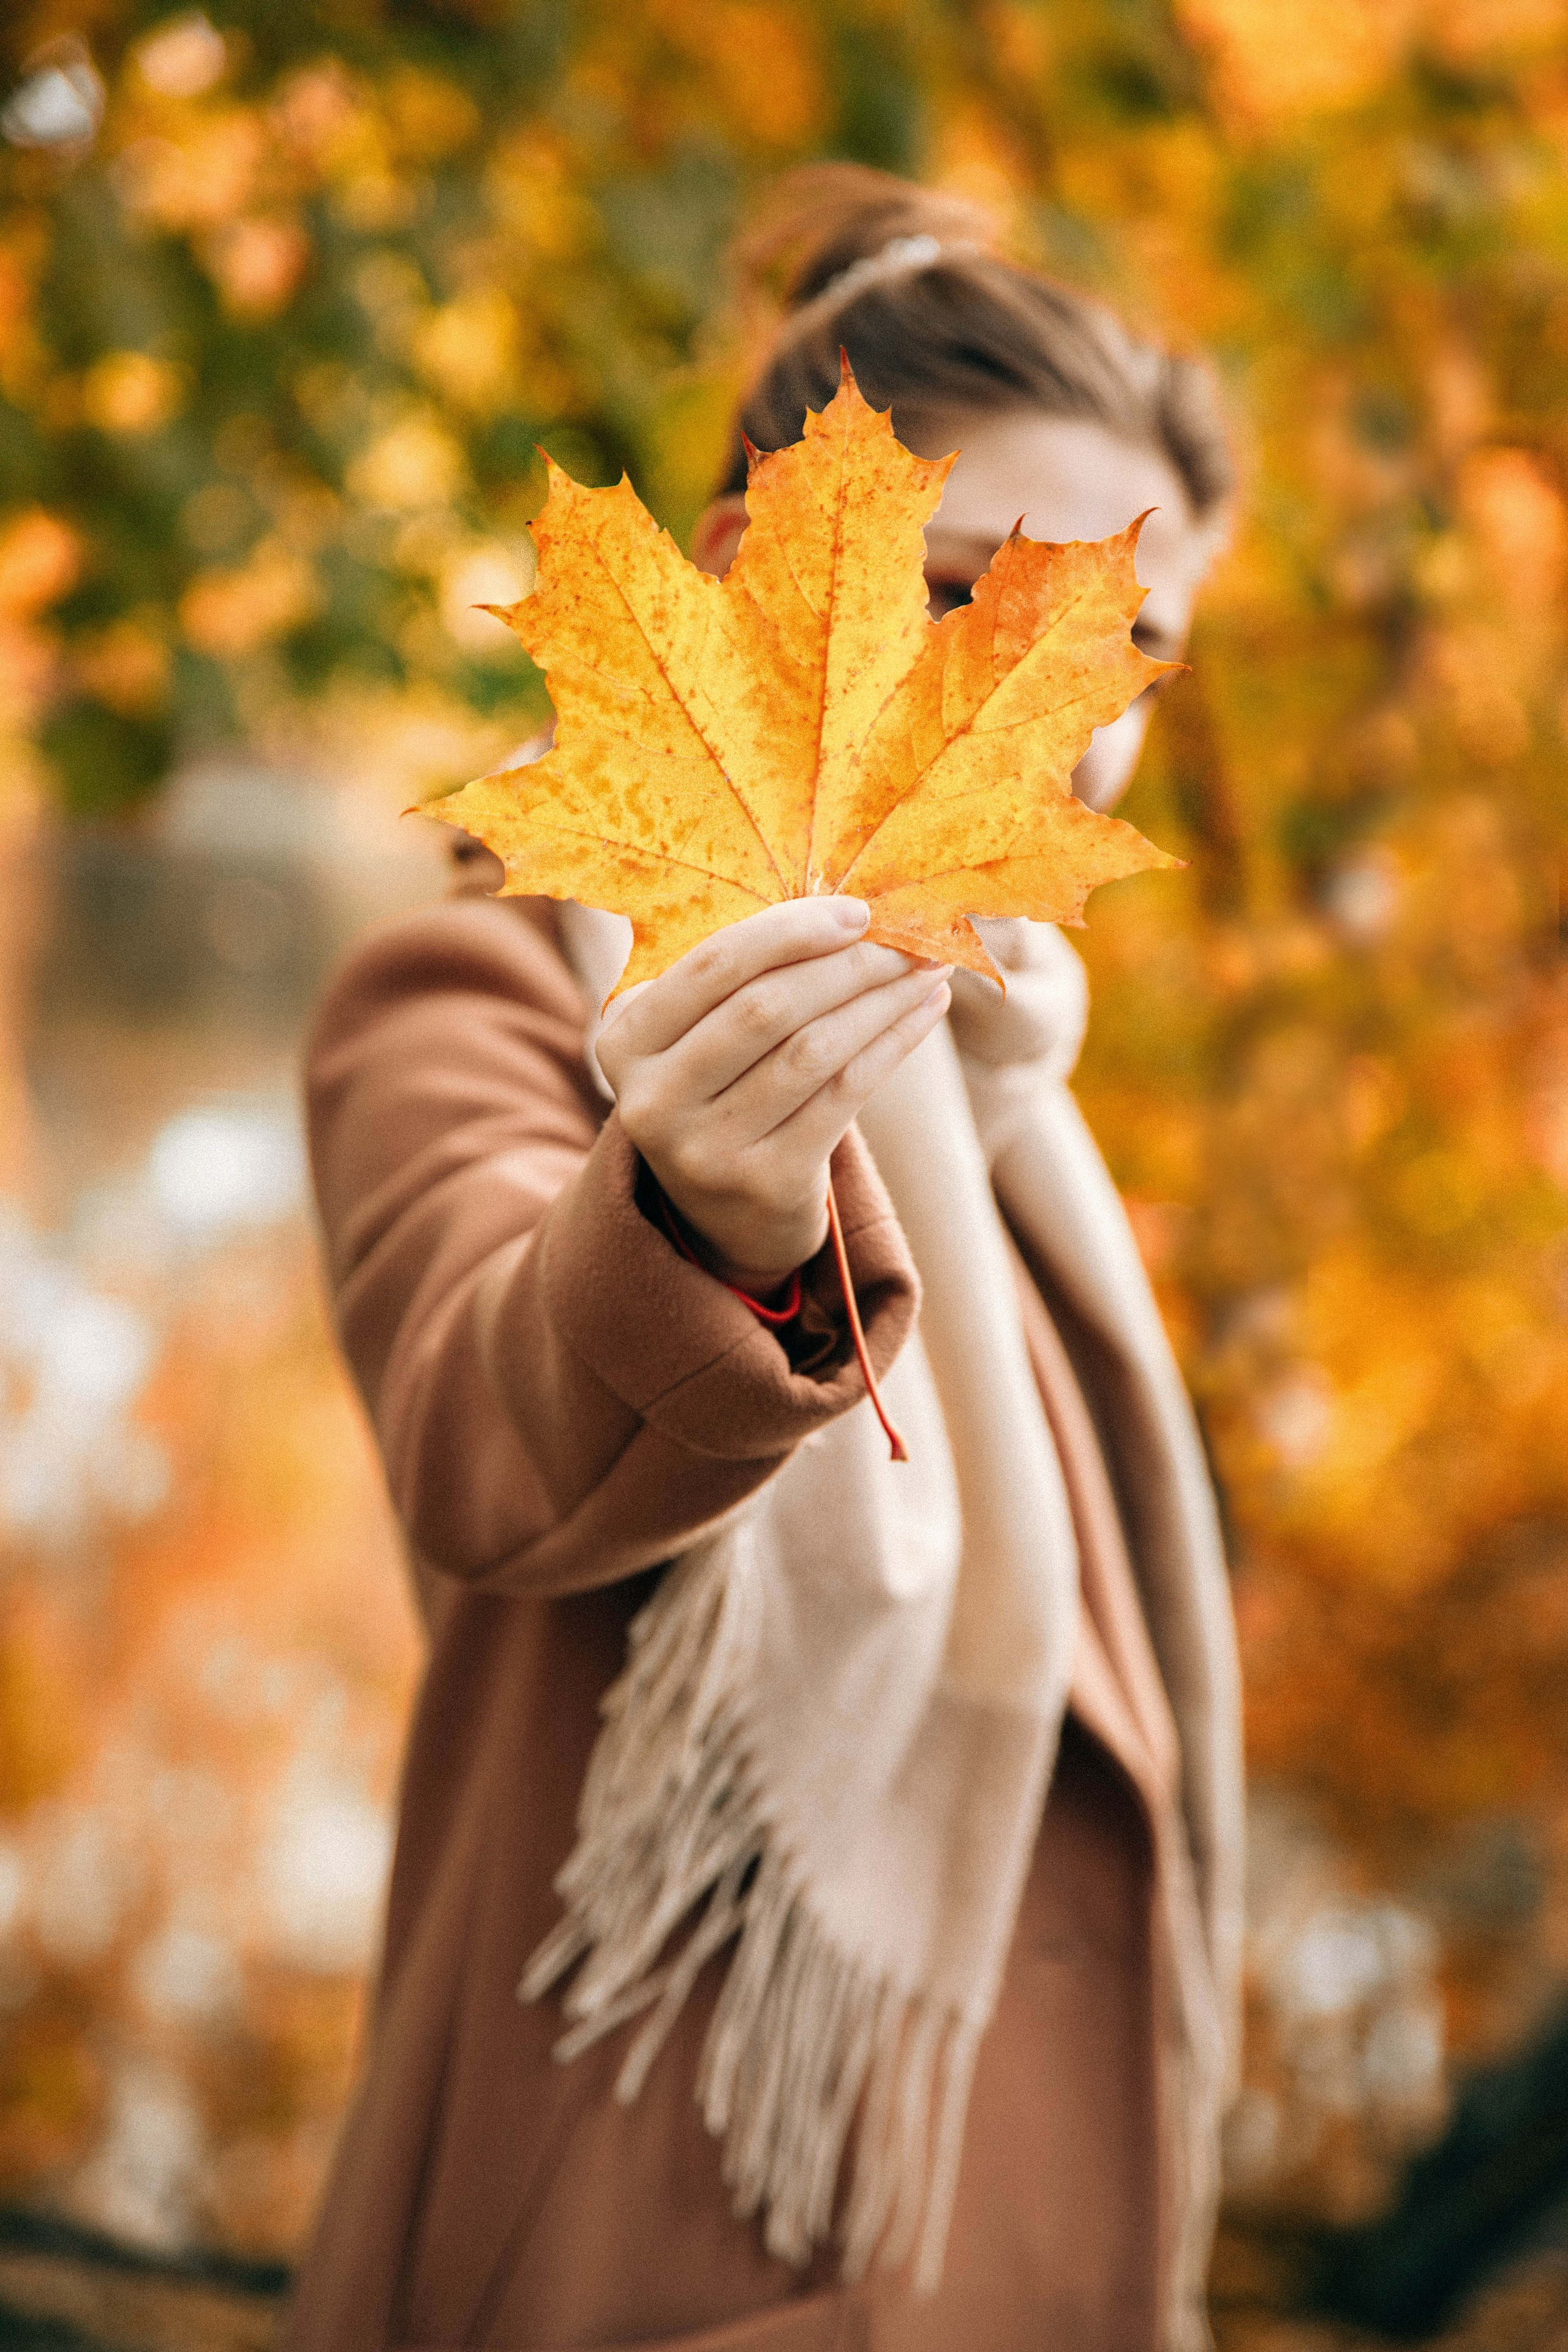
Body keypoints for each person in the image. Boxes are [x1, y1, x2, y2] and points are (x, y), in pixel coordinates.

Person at [286, 164, 1243, 2352]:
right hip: (654, 2263)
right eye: (967, 593)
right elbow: (483, 1435)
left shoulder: (1029, 1106)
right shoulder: (482, 1011)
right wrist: (708, 1207)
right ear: (757, 580)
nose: (1068, 710)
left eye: (1135, 644)